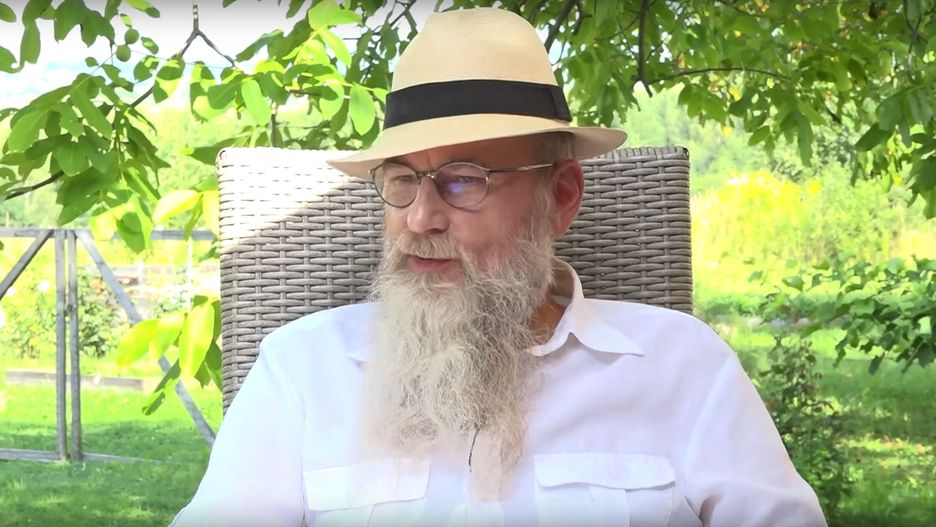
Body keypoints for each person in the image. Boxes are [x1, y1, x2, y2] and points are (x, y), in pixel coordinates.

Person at [172, 7, 826, 527]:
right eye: (401, 179)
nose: (420, 218)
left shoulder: (683, 366)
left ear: (560, 197)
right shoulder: (301, 369)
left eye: (463, 180)